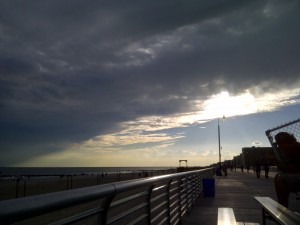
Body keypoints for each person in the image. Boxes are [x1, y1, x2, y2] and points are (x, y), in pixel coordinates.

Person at [273, 132, 300, 208]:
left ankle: (283, 207)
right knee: (277, 177)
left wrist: (279, 163)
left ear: (286, 143)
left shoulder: (297, 148)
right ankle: (281, 206)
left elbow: (295, 168)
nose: (279, 147)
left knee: (281, 179)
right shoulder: (290, 150)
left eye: (280, 145)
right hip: (297, 175)